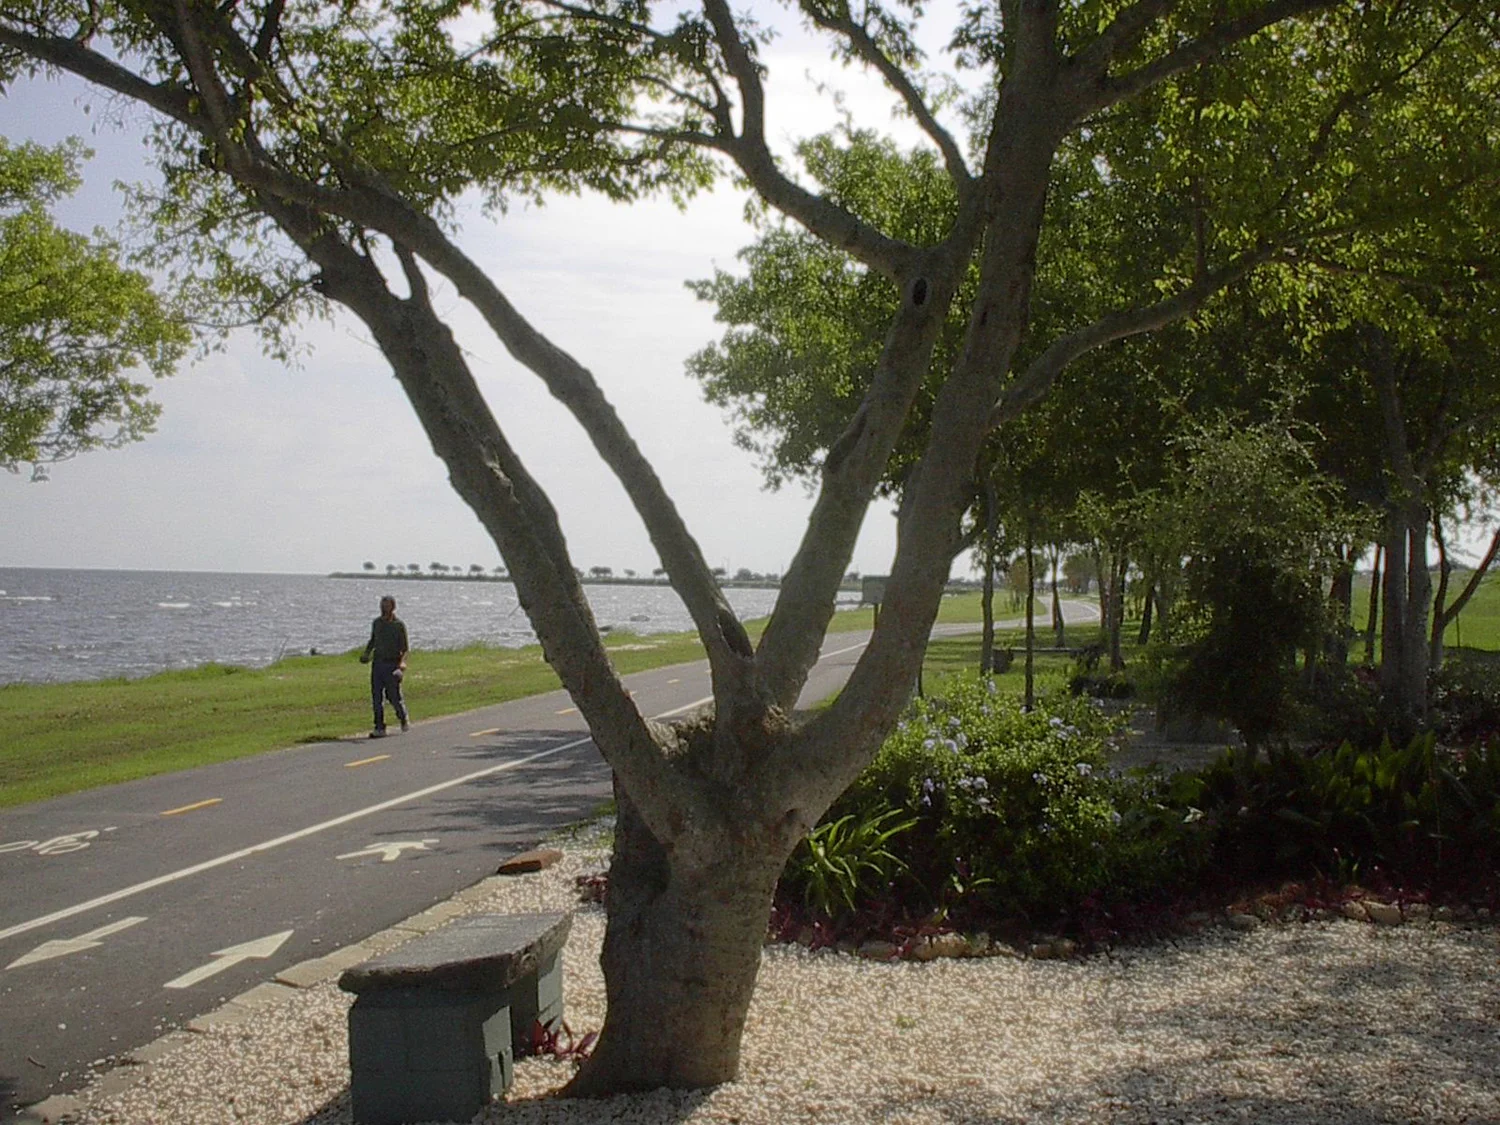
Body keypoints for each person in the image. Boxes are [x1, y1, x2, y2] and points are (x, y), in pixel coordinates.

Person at [359, 595, 409, 737]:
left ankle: (402, 717)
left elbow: (405, 648)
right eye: (383, 605)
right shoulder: (377, 623)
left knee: (393, 696)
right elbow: (373, 640)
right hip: (378, 664)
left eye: (387, 605)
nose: (384, 608)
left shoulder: (398, 625)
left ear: (393, 607)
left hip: (392, 665)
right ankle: (379, 727)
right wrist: (366, 653)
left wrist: (402, 663)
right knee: (376, 697)